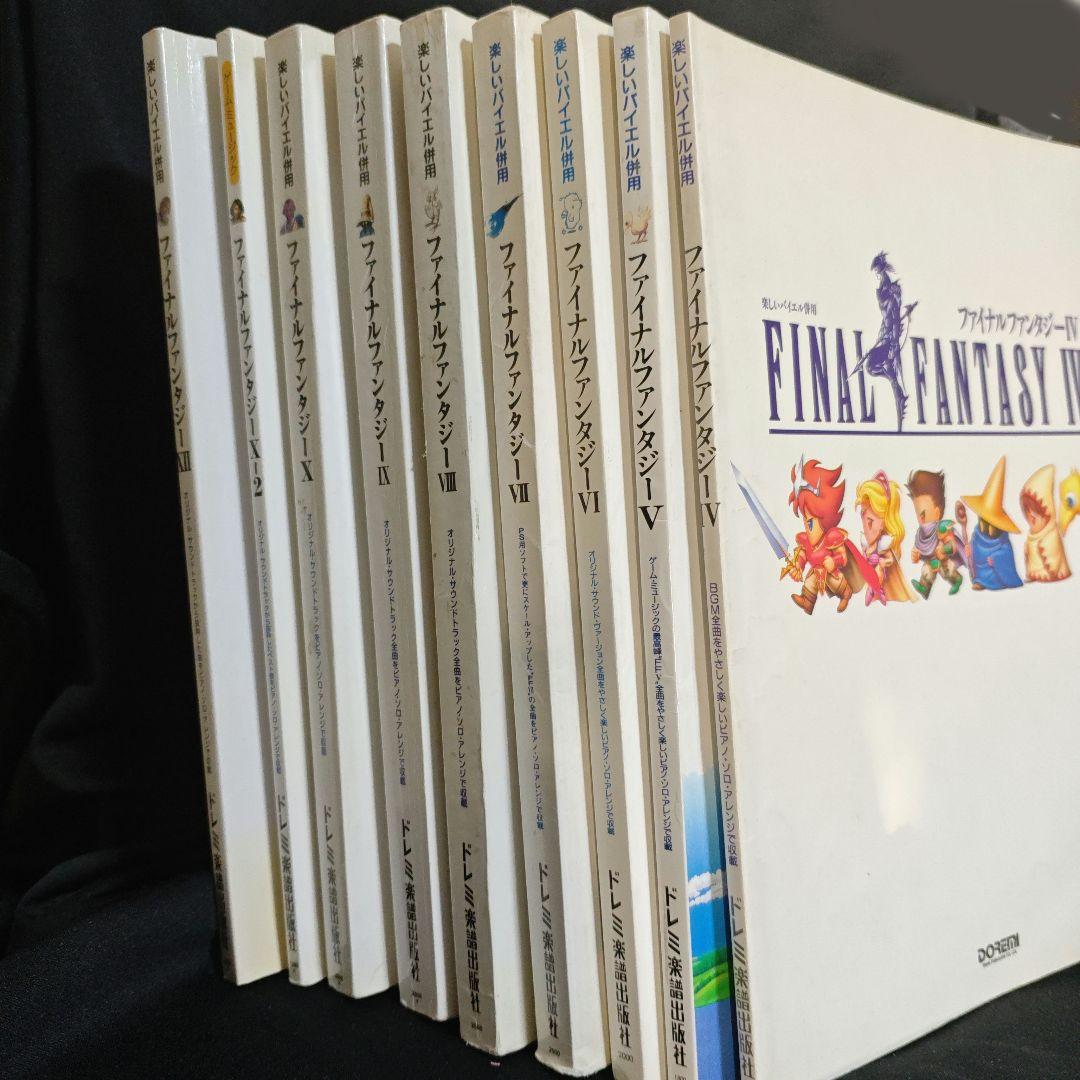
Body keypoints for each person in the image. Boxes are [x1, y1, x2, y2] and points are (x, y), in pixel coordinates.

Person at [956, 456, 1022, 591]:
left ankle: (994, 582)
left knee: (996, 566)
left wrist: (996, 558)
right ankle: (979, 581)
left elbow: (1006, 553)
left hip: (996, 573)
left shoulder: (1003, 540)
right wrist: (969, 550)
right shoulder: (977, 535)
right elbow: (973, 548)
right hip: (980, 574)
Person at [854, 471, 914, 602]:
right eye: (863, 519)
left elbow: (889, 559)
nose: (866, 528)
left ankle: (876, 590)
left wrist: (883, 562)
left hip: (881, 576)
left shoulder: (884, 543)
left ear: (884, 521)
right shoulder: (867, 543)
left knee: (879, 574)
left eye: (871, 521)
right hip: (870, 575)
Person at [906, 468, 966, 598]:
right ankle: (924, 588)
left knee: (947, 571)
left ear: (937, 512)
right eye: (918, 514)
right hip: (932, 561)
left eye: (924, 514)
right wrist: (917, 556)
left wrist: (943, 549)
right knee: (926, 570)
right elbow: (922, 550)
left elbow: (953, 546)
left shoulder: (942, 528)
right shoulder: (921, 533)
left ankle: (957, 580)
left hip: (943, 559)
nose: (920, 519)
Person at [1021, 464, 1071, 582]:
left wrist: (1052, 570)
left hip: (1050, 573)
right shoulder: (1031, 536)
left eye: (1036, 515)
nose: (1031, 518)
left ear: (1047, 515)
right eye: (1027, 513)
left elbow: (1054, 557)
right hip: (1035, 571)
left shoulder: (1051, 535)